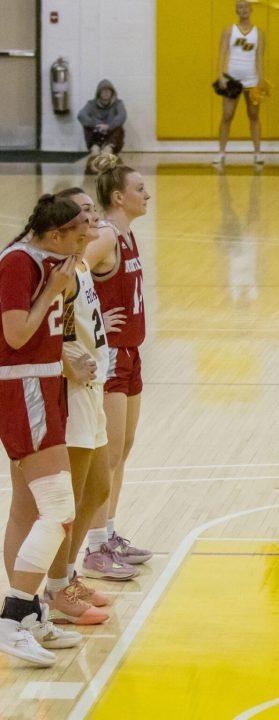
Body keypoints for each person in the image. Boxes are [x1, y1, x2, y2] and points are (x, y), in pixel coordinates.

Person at [0, 194, 90, 665]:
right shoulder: (18, 263)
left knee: (26, 509)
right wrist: (53, 292)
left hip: (42, 383)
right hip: (23, 387)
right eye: (79, 231)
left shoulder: (50, 259)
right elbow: (15, 335)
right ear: (54, 234)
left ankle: (30, 614)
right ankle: (13, 618)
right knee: (59, 510)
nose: (89, 237)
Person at [43, 187, 117, 624]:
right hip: (70, 393)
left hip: (94, 387)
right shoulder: (62, 272)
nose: (94, 217)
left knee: (98, 489)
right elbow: (45, 333)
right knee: (70, 498)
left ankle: (68, 573)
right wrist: (65, 362)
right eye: (85, 211)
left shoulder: (84, 267)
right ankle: (55, 589)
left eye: (94, 209)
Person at [81, 162, 151, 581]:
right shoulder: (106, 235)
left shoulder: (126, 235)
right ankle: (92, 550)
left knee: (121, 449)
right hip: (110, 356)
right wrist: (94, 324)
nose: (147, 194)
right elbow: (70, 276)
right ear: (119, 197)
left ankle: (107, 534)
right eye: (140, 189)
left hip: (131, 353)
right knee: (106, 454)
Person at [214, 0, 265, 165]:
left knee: (254, 115)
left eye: (245, 7)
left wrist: (261, 79)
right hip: (233, 79)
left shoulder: (259, 33)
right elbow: (222, 53)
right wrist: (220, 74)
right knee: (227, 115)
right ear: (236, 11)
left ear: (251, 9)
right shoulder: (229, 30)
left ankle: (258, 153)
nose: (242, 9)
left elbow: (259, 58)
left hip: (252, 79)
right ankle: (221, 152)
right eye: (239, 7)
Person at [77, 80, 126, 157]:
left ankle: (109, 148)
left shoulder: (118, 103)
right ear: (99, 93)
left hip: (111, 135)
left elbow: (122, 116)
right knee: (86, 125)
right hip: (96, 134)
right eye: (103, 91)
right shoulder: (91, 103)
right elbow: (81, 115)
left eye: (108, 91)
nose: (106, 93)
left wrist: (109, 126)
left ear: (112, 93)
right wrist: (96, 124)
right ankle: (94, 147)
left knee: (118, 127)